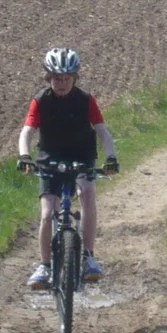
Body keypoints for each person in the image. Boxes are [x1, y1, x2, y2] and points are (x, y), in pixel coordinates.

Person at [16, 47, 118, 288]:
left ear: (75, 78)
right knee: (46, 212)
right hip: (49, 157)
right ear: (48, 78)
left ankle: (89, 257)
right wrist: (24, 155)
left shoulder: (85, 100)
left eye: (66, 79)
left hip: (82, 155)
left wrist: (111, 156)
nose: (61, 83)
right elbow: (27, 132)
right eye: (56, 79)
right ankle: (44, 265)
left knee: (87, 194)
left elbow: (102, 131)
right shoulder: (41, 100)